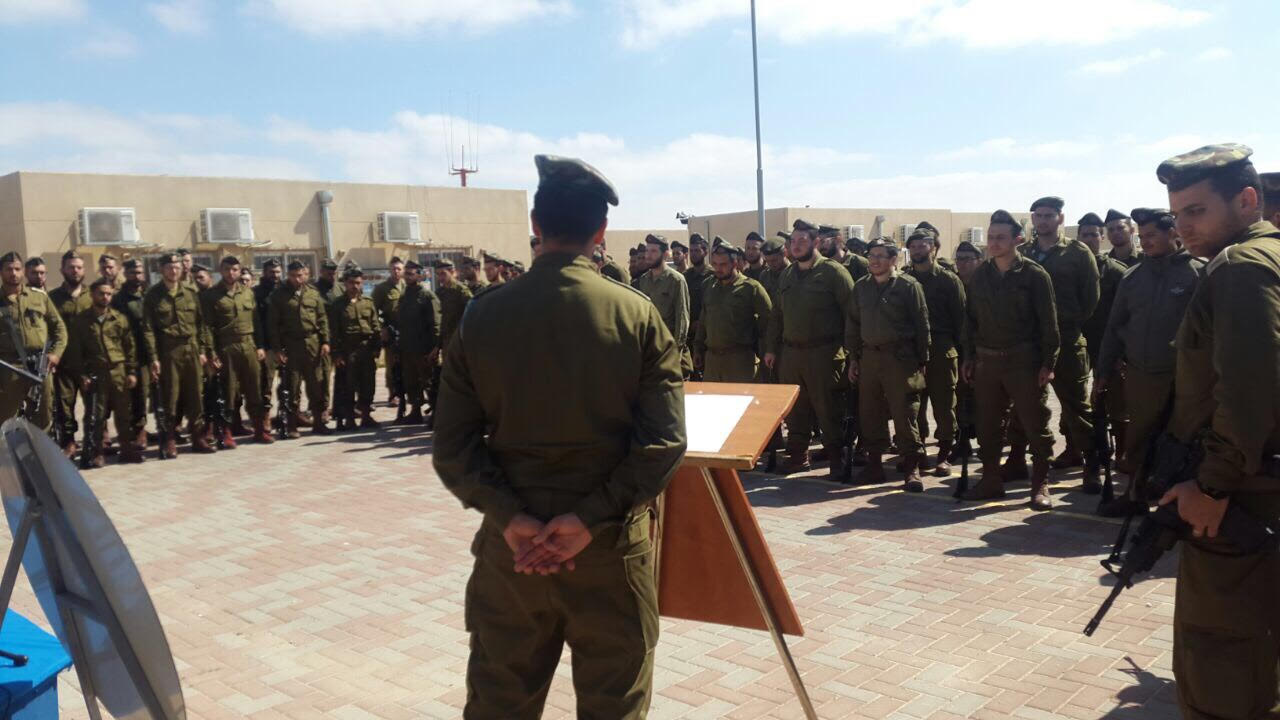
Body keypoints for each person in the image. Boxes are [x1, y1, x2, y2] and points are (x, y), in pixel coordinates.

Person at [433, 155, 685, 719]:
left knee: (500, 702)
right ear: (600, 234)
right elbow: (663, 445)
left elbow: (453, 447)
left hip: (514, 551)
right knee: (613, 705)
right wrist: (586, 520)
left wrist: (513, 518)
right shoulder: (638, 315)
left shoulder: (481, 316)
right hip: (610, 548)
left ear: (535, 225)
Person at [1143, 143, 1280, 719]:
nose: (1183, 227)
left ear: (1246, 200)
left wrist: (1213, 487)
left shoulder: (1240, 267)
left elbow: (1249, 390)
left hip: (1242, 495)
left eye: (1196, 211)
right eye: (1177, 214)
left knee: (1221, 659)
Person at [1093, 207, 1203, 517]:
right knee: (1139, 437)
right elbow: (1114, 327)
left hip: (1185, 377)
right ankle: (1135, 495)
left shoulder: (1197, 273)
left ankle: (1179, 503)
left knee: (1184, 440)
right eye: (1142, 237)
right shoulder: (1133, 277)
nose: (1146, 242)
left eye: (1152, 235)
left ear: (1173, 233)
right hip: (1142, 375)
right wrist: (1103, 371)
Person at [961, 210, 1060, 510]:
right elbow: (970, 320)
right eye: (990, 237)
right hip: (987, 362)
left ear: (1017, 239)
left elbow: (1049, 323)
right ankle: (990, 480)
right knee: (988, 425)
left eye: (1000, 238)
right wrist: (968, 356)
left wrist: (1049, 363)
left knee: (1035, 423)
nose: (993, 243)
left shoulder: (1034, 275)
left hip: (1023, 362)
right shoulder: (980, 275)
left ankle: (1040, 483)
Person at [1011, 196, 1100, 490]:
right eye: (1038, 215)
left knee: (1077, 406)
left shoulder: (1077, 253)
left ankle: (1091, 464)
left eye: (1049, 215)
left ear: (1061, 219)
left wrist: (1065, 322)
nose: (1043, 221)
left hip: (1067, 339)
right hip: (1030, 343)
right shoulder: (1022, 253)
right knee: (1025, 406)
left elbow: (1090, 300)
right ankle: (1019, 460)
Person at [764, 219, 855, 476]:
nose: (796, 245)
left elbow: (852, 314)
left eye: (802, 240)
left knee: (828, 409)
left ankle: (836, 458)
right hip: (791, 354)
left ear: (816, 242)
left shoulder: (834, 273)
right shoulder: (788, 274)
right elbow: (777, 316)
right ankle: (797, 456)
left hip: (824, 354)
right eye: (793, 241)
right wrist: (771, 348)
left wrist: (852, 354)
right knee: (795, 409)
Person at [846, 239, 930, 490]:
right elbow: (853, 324)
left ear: (894, 259)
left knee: (905, 413)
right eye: (872, 255)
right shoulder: (861, 287)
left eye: (881, 256)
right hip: (869, 358)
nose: (874, 260)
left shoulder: (909, 286)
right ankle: (874, 465)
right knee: (870, 413)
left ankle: (912, 468)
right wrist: (853, 358)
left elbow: (922, 326)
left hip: (900, 359)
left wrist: (922, 360)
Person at [905, 228, 967, 476]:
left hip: (942, 350)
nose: (918, 249)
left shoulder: (949, 280)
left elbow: (962, 320)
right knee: (914, 404)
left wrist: (965, 356)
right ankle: (918, 453)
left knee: (944, 404)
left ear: (934, 248)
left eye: (924, 245)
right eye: (914, 246)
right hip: (912, 354)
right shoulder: (903, 279)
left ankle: (944, 454)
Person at [143, 252, 215, 457]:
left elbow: (202, 325)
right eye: (169, 267)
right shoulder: (153, 296)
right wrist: (153, 358)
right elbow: (148, 329)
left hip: (191, 349)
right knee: (169, 397)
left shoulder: (191, 293)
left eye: (176, 267)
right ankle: (169, 439)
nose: (173, 271)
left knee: (195, 396)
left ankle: (198, 437)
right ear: (161, 270)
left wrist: (202, 350)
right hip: (168, 351)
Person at [65, 278, 141, 466]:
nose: (105, 297)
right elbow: (75, 351)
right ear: (92, 295)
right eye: (101, 293)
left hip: (118, 371)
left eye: (108, 294)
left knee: (124, 413)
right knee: (95, 416)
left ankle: (126, 449)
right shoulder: (81, 321)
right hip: (96, 374)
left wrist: (131, 372)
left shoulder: (119, 318)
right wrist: (81, 375)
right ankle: (97, 452)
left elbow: (129, 347)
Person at [1077, 213, 1130, 471]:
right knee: (1077, 401)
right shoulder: (1070, 269)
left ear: (1102, 237)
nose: (1090, 239)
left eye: (1094, 234)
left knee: (1117, 402)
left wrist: (1122, 351)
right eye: (1085, 234)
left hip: (1108, 346)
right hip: (1077, 344)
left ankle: (1121, 452)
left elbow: (1127, 315)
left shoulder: (1118, 272)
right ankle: (1075, 448)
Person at [201, 255, 272, 446]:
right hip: (226, 347)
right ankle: (226, 432)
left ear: (239, 271)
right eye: (226, 269)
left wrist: (260, 346)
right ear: (220, 271)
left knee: (254, 389)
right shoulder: (211, 295)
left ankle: (259, 430)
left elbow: (256, 322)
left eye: (234, 269)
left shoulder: (248, 293)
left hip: (248, 345)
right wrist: (211, 353)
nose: (231, 273)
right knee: (228, 392)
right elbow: (207, 327)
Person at [0, 251, 65, 429]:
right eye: (8, 269)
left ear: (23, 272)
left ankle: (38, 454)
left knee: (43, 416)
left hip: (40, 364)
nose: (13, 273)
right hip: (9, 367)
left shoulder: (39, 297)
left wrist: (55, 354)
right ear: (1, 272)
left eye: (17, 269)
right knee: (5, 419)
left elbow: (59, 328)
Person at [269, 261, 332, 436]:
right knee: (292, 387)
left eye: (301, 275)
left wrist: (325, 341)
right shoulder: (279, 296)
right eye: (293, 275)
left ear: (306, 274)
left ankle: (319, 423)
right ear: (288, 275)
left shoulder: (313, 293)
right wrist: (277, 349)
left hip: (312, 343)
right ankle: (291, 425)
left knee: (316, 385)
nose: (297, 279)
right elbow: (273, 325)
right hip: (291, 345)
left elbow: (322, 319)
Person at [693, 242, 771, 382]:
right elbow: (704, 320)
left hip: (739, 361)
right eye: (714, 264)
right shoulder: (709, 287)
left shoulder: (751, 288)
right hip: (712, 362)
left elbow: (770, 321)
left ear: (734, 263)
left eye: (723, 264)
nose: (717, 269)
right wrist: (698, 348)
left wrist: (768, 350)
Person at [48, 250, 93, 456]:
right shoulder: (52, 298)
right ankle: (69, 443)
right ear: (62, 270)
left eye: (78, 267)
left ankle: (95, 441)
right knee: (65, 407)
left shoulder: (93, 295)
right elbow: (47, 329)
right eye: (71, 267)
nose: (75, 271)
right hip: (65, 363)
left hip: (90, 362)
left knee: (93, 405)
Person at [330, 267, 382, 431]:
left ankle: (366, 416)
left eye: (358, 283)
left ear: (362, 283)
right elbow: (333, 331)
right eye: (351, 282)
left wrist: (376, 347)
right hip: (348, 349)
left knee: (368, 385)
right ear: (345, 283)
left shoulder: (368, 302)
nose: (355, 286)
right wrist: (336, 353)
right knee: (348, 386)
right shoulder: (338, 305)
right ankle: (350, 419)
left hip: (366, 349)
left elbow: (375, 325)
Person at [634, 234, 692, 377]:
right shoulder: (644, 280)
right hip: (650, 353)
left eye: (653, 251)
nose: (648, 255)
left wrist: (675, 353)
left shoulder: (676, 280)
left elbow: (683, 318)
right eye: (647, 251)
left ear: (665, 254)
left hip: (670, 351)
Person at [112, 259, 153, 453]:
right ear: (125, 274)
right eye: (131, 273)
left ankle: (170, 429)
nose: (136, 276)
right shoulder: (118, 299)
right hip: (132, 354)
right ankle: (139, 430)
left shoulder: (150, 294)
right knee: (137, 394)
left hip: (153, 352)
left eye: (138, 272)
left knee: (158, 394)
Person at [395, 261, 440, 424]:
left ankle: (436, 413)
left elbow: (435, 324)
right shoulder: (405, 294)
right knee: (411, 381)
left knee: (428, 382)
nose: (406, 277)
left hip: (423, 348)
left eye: (410, 274)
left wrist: (435, 347)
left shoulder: (427, 296)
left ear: (419, 275)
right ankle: (415, 411)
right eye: (405, 273)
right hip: (408, 347)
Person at [427, 258, 471, 428]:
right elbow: (442, 322)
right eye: (438, 274)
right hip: (446, 344)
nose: (441, 277)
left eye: (444, 274)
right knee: (447, 381)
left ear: (453, 272)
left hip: (460, 345)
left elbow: (470, 317)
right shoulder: (440, 293)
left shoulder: (462, 291)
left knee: (461, 381)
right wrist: (437, 346)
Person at [373, 256, 406, 406]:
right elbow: (372, 311)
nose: (396, 271)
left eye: (399, 268)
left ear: (403, 270)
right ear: (389, 270)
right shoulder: (381, 289)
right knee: (392, 364)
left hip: (408, 331)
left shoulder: (409, 286)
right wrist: (382, 329)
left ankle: (409, 392)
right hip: (391, 331)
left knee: (408, 364)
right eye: (393, 269)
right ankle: (393, 394)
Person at [254, 259, 283, 427]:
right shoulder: (256, 293)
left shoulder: (285, 291)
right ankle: (264, 417)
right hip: (267, 346)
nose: (275, 275)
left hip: (285, 345)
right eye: (272, 272)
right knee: (265, 383)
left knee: (289, 384)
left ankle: (288, 415)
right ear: (264, 272)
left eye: (278, 272)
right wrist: (260, 345)